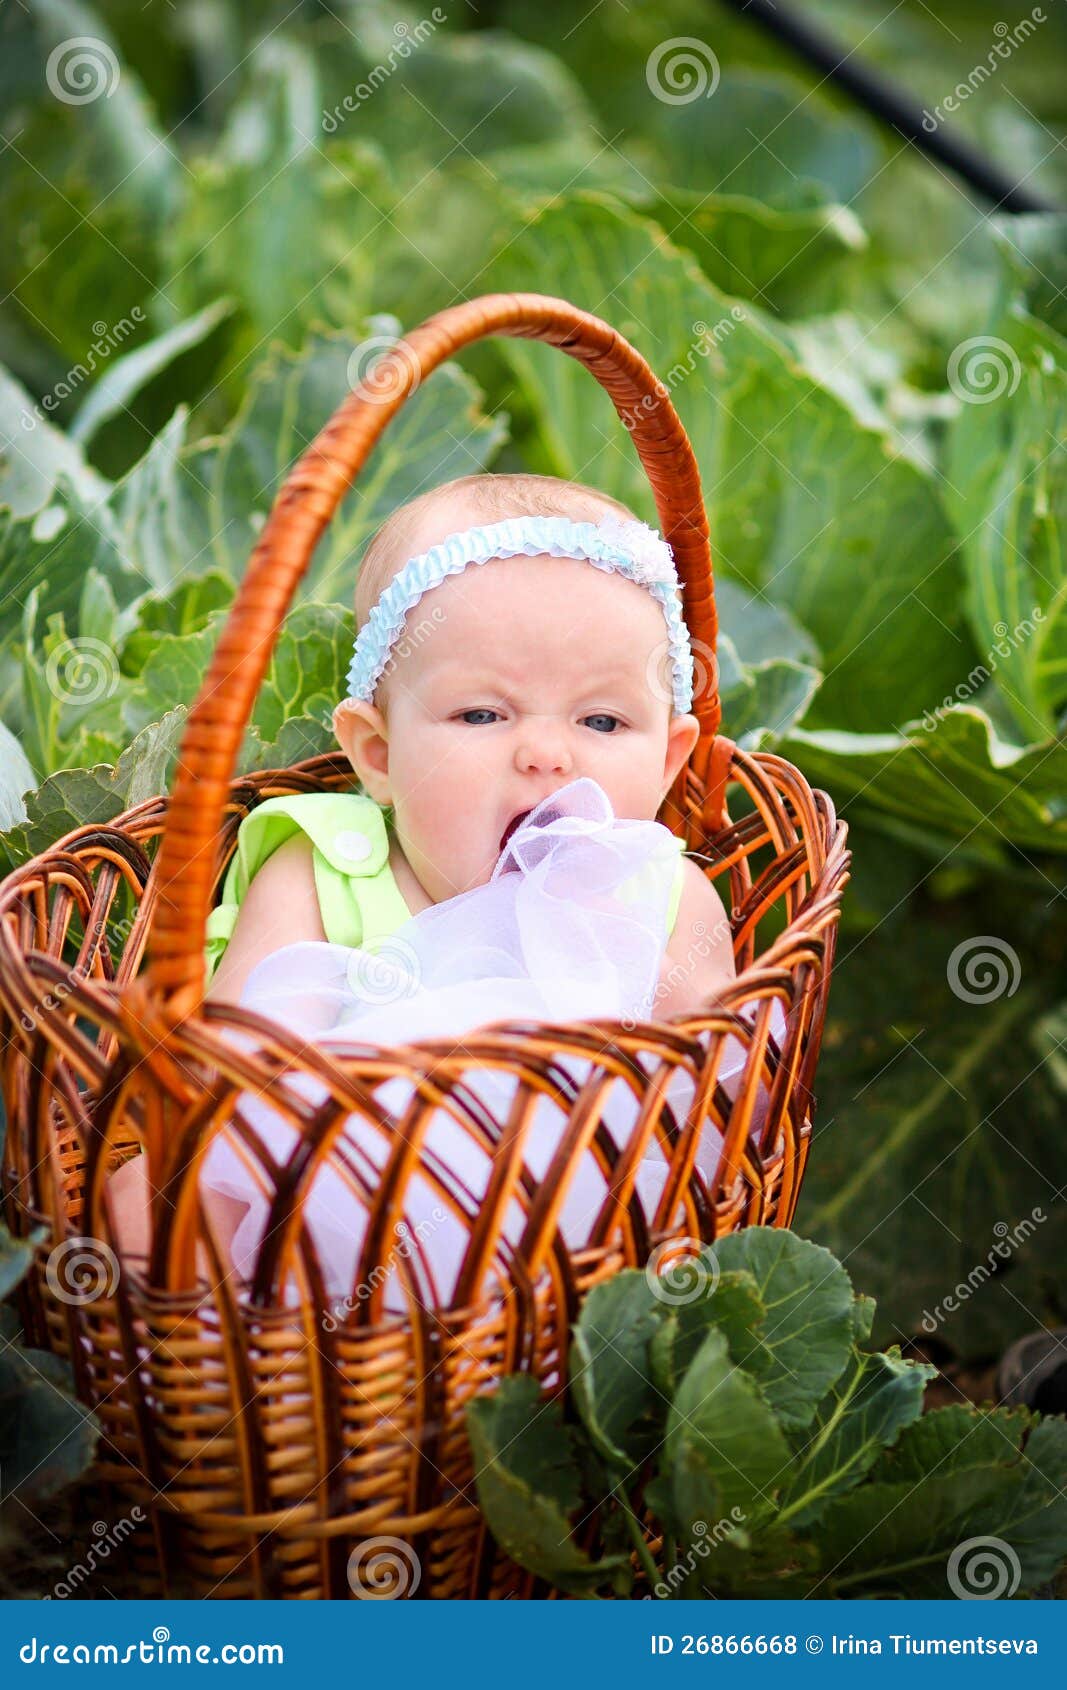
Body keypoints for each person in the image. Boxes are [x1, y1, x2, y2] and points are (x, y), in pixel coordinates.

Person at [106, 472, 759, 1297]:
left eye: (602, 722)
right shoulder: (326, 867)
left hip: (572, 1247)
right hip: (326, 1234)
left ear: (668, 762)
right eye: (482, 716)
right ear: (377, 756)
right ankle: (216, 1374)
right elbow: (229, 1079)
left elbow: (722, 1098)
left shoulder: (660, 892)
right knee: (144, 1204)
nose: (546, 756)